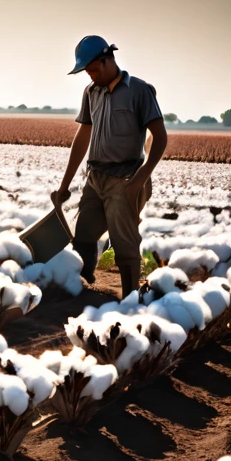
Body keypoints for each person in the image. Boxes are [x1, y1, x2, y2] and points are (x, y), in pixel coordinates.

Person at [52, 35, 167, 299]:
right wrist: (64, 185)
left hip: (126, 178)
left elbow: (160, 137)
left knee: (124, 243)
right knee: (82, 235)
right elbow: (82, 138)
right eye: (86, 71)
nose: (90, 75)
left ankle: (129, 301)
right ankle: (82, 290)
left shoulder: (139, 90)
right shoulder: (91, 92)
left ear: (106, 60)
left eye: (92, 69)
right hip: (95, 178)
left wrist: (139, 180)